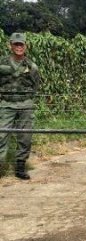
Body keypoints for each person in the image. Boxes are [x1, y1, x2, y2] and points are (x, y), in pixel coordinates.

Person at [0, 32, 41, 180]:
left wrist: (26, 99)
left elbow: (36, 85)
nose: (18, 47)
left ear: (25, 46)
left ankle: (20, 168)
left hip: (25, 105)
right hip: (6, 105)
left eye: (21, 44)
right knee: (1, 135)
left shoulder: (32, 66)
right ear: (10, 45)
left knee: (25, 137)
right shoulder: (2, 63)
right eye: (16, 44)